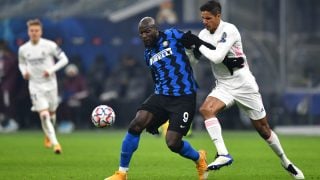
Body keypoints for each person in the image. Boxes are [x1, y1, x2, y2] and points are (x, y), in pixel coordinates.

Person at [184, 1, 304, 179]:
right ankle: (223, 154)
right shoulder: (203, 34)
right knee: (206, 110)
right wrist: (189, 50)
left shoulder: (229, 30)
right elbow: (195, 61)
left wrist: (197, 43)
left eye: (208, 18)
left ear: (218, 16)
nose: (205, 22)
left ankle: (286, 161)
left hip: (244, 84)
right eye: (202, 18)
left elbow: (216, 58)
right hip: (224, 85)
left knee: (263, 129)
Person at [105, 17, 208, 180]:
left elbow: (191, 40)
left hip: (184, 97)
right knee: (137, 123)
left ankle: (199, 158)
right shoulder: (148, 53)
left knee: (173, 143)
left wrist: (202, 48)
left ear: (156, 29)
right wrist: (157, 117)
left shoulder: (172, 35)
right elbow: (157, 77)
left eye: (147, 31)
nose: (144, 36)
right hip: (161, 94)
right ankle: (121, 173)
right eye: (141, 33)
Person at [18, 19, 69, 154]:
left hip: (51, 85)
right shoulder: (23, 49)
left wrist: (51, 70)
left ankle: (48, 134)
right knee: (44, 115)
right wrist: (24, 72)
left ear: (41, 32)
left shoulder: (49, 45)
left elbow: (64, 59)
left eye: (36, 30)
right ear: (28, 32)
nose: (34, 33)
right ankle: (56, 144)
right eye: (31, 31)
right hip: (35, 86)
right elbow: (21, 63)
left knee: (52, 113)